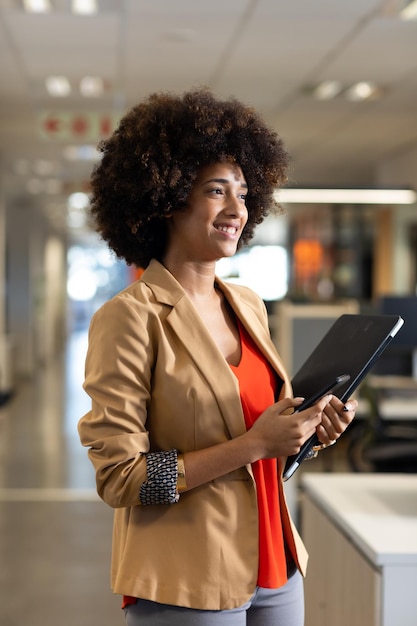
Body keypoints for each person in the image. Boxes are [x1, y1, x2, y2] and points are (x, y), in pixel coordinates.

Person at [78, 88, 357, 626]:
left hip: (276, 564)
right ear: (166, 198)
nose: (237, 210)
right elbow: (120, 478)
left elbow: (265, 444)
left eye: (245, 194)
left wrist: (305, 434)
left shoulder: (247, 304)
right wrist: (254, 444)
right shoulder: (131, 317)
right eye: (216, 191)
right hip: (188, 576)